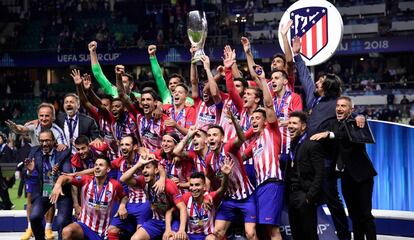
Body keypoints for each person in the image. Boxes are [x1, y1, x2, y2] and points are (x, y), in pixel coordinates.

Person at [293, 36, 352, 240]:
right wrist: (297, 54)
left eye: (320, 81)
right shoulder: (314, 100)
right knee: (309, 202)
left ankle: (344, 236)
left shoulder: (338, 103)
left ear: (327, 85)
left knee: (333, 201)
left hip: (326, 161)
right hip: (308, 160)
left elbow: (350, 116)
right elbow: (304, 77)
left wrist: (360, 117)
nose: (316, 82)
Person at [310, 96, 378, 240]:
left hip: (362, 176)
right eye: (338, 106)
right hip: (346, 177)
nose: (339, 109)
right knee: (354, 215)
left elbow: (348, 136)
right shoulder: (332, 124)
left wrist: (360, 116)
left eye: (343, 106)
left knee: (365, 214)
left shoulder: (357, 123)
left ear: (350, 110)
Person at [50, 157, 128, 240]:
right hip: (85, 226)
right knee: (67, 231)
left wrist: (122, 206)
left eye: (101, 165)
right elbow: (64, 177)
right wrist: (58, 185)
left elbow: (124, 196)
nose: (97, 167)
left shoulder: (115, 185)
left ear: (108, 169)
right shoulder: (85, 180)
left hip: (103, 230)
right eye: (96, 165)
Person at [120, 156, 188, 240]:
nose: (144, 170)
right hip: (156, 220)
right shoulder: (143, 181)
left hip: (173, 221)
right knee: (135, 238)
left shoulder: (169, 185)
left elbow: (182, 207)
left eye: (148, 167)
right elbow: (123, 179)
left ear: (156, 170)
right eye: (143, 168)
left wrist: (181, 230)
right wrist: (138, 164)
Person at [25, 129, 73, 239]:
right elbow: (26, 173)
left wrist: (57, 174)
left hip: (62, 192)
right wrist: (31, 171)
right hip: (44, 192)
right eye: (41, 141)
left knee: (62, 222)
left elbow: (68, 173)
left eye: (47, 140)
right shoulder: (34, 151)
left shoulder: (63, 152)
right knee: (34, 217)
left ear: (54, 140)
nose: (44, 143)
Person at [285, 111, 326, 240]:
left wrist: (310, 196)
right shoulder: (293, 144)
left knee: (309, 235)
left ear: (303, 126)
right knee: (297, 235)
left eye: (294, 123)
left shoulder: (312, 144)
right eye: (289, 123)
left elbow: (320, 173)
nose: (290, 126)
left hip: (305, 196)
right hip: (292, 196)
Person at [181, 163, 231, 240]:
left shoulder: (211, 197)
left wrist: (226, 176)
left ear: (204, 187)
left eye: (197, 185)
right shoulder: (186, 198)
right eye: (191, 185)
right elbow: (173, 208)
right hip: (190, 236)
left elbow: (222, 189)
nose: (193, 188)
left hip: (207, 236)